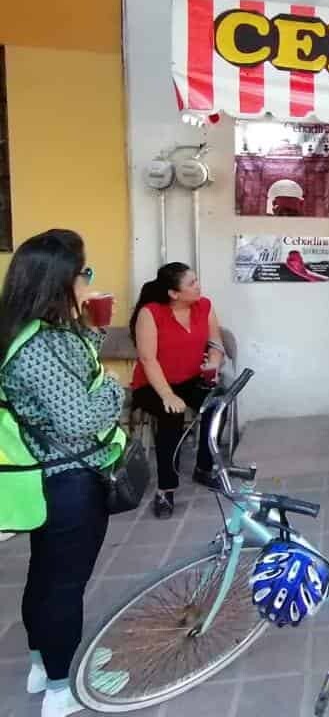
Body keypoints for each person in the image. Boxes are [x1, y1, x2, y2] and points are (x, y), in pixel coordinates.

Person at [0, 230, 127, 717]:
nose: (89, 280)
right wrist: (114, 388)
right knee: (64, 586)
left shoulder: (27, 331)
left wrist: (93, 329)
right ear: (60, 280)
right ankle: (62, 687)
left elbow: (69, 378)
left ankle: (43, 665)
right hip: (70, 481)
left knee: (46, 576)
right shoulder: (42, 345)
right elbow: (80, 419)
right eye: (84, 272)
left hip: (46, 476)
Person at [130, 263, 225, 519]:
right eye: (191, 283)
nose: (198, 286)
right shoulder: (150, 313)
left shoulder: (204, 306)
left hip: (190, 379)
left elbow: (215, 342)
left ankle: (204, 468)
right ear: (174, 293)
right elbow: (148, 360)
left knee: (217, 405)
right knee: (171, 415)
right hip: (153, 384)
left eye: (197, 280)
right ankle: (166, 489)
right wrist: (168, 395)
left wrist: (214, 362)